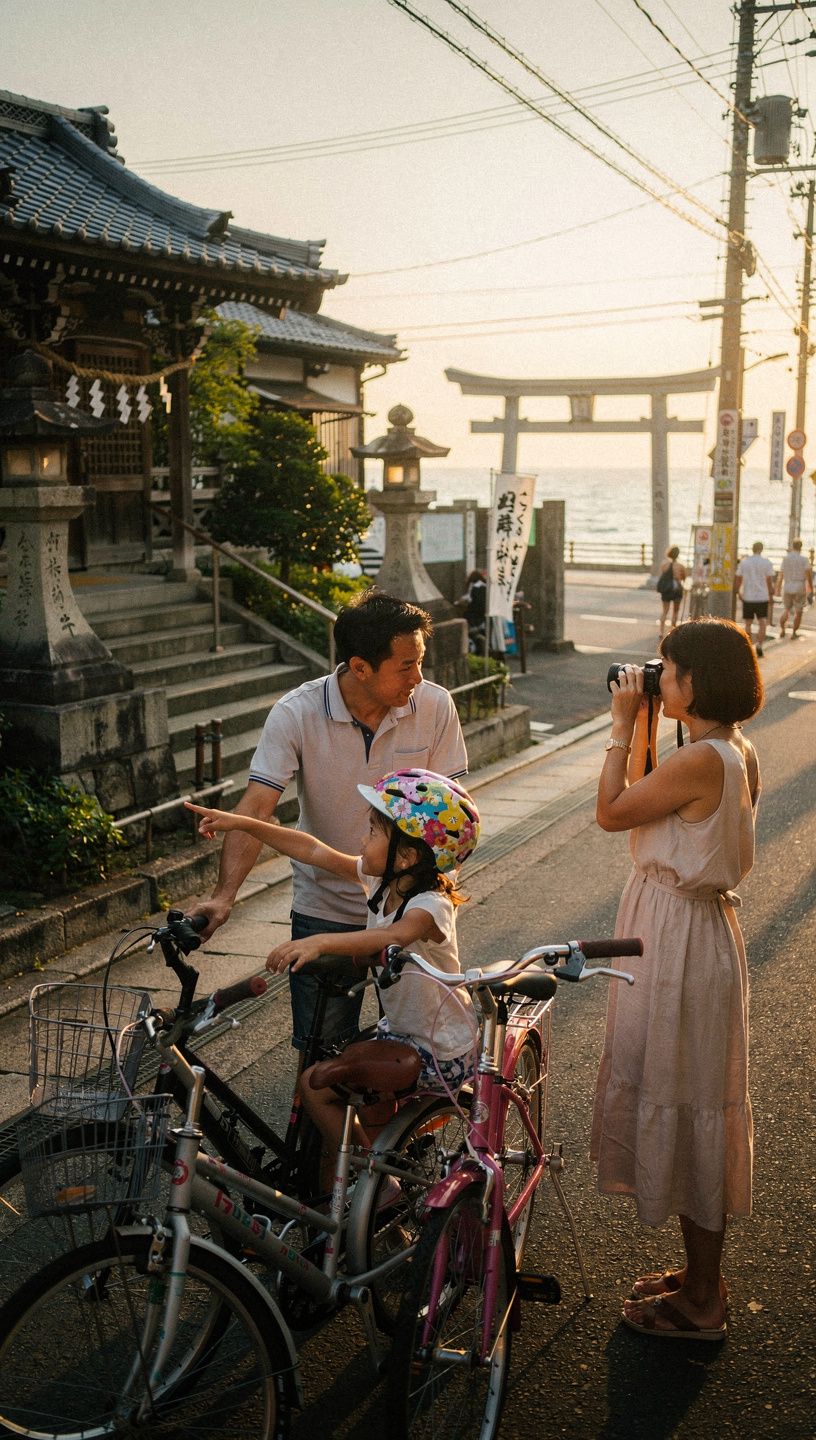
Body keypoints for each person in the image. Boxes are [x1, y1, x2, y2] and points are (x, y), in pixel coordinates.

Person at [192, 588, 468, 1061]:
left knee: (414, 1055)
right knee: (321, 1059)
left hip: (408, 912)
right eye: (406, 665)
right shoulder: (296, 712)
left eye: (420, 662)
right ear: (360, 667)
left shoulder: (435, 706)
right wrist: (224, 896)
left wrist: (424, 891)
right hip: (326, 903)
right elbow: (262, 810)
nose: (418, 677)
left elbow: (452, 818)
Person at [187, 769, 480, 1192]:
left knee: (315, 1086)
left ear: (407, 856)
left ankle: (375, 1182)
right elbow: (313, 850)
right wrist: (245, 823)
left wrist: (322, 941)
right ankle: (375, 1171)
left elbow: (393, 935)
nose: (363, 839)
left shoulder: (431, 905)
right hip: (403, 1031)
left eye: (374, 831)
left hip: (442, 1048)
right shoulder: (383, 880)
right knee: (351, 1091)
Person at [592, 618, 763, 1341]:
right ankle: (700, 1275)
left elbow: (611, 811)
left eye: (666, 668)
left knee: (688, 1100)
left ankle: (701, 1305)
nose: (656, 677)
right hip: (683, 933)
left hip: (679, 944)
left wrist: (620, 725)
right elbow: (650, 794)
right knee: (685, 1091)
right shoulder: (724, 748)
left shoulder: (706, 759)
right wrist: (651, 727)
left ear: (693, 681)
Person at [735, 540, 774, 656]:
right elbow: (769, 580)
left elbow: (738, 578)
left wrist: (738, 592)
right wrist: (771, 594)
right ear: (761, 549)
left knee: (748, 623)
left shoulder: (744, 562)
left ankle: (748, 646)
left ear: (752, 549)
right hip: (762, 596)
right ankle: (759, 645)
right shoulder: (766, 562)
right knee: (762, 621)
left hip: (748, 596)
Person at [776, 538, 814, 640]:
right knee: (799, 611)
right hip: (799, 586)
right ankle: (793, 633)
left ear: (792, 546)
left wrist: (778, 588)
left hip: (787, 586)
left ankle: (783, 630)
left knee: (786, 609)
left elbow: (781, 575)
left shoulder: (786, 558)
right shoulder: (804, 559)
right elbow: (808, 575)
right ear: (801, 547)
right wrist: (811, 588)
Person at [656, 546, 686, 640]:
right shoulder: (681, 566)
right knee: (675, 612)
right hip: (677, 589)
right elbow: (684, 578)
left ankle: (661, 631)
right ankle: (672, 631)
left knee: (665, 610)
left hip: (666, 590)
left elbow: (663, 576)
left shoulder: (664, 565)